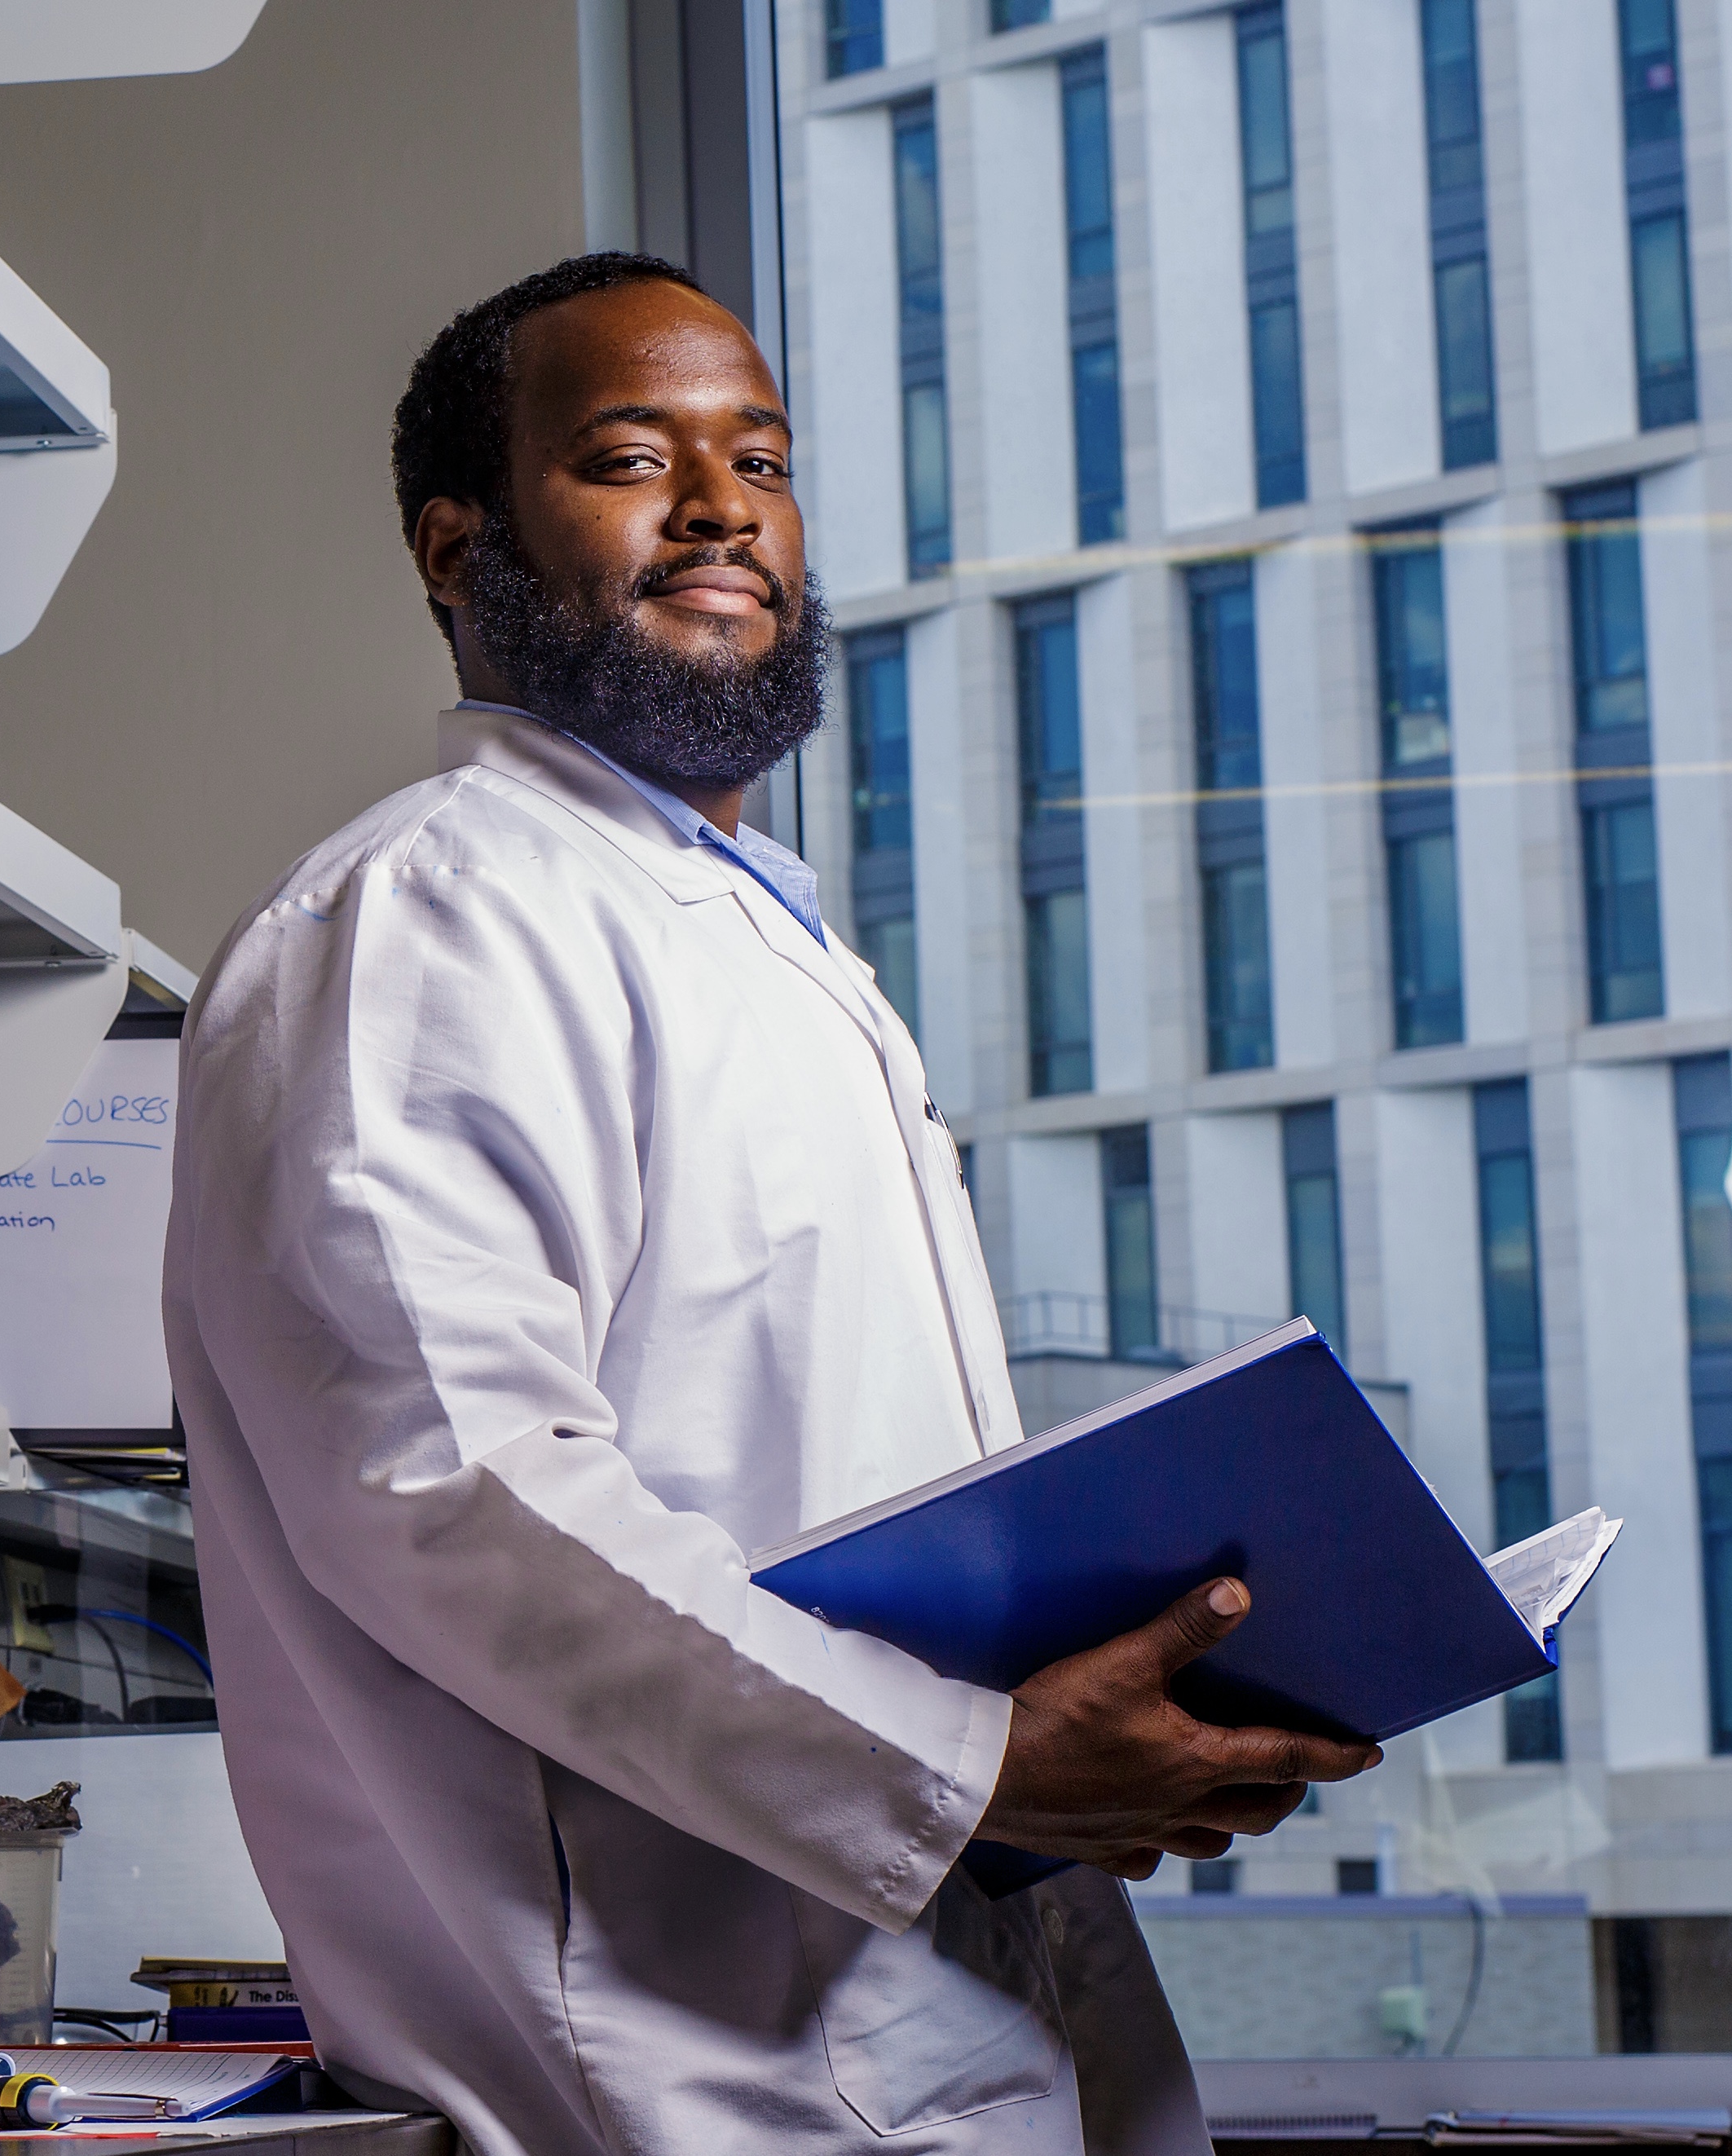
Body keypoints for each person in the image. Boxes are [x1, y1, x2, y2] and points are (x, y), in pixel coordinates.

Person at [163, 253, 1382, 2155]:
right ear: (451, 544)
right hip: (676, 2079)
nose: (721, 507)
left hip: (931, 2019)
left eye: (762, 458)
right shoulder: (424, 917)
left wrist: (1107, 1704)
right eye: (629, 458)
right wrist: (970, 1763)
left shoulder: (763, 935)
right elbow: (460, 1495)